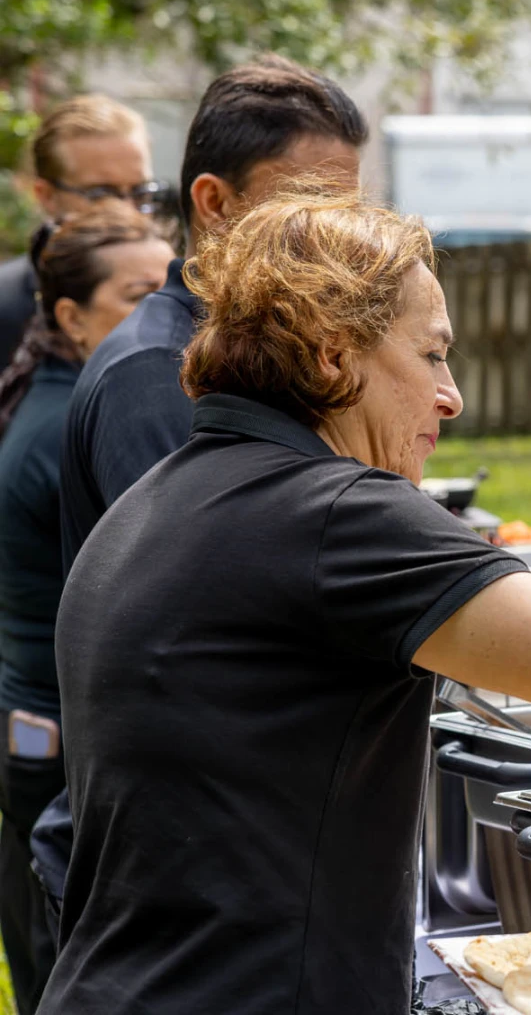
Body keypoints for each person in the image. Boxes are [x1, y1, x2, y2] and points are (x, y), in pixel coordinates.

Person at [38, 193, 531, 1014]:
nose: (451, 395)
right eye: (431, 355)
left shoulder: (160, 500)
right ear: (332, 355)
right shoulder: (334, 514)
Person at [58, 55, 365, 572]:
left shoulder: (263, 349)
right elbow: (195, 582)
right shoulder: (155, 369)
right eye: (307, 209)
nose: (337, 235)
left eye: (348, 212)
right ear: (214, 202)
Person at [0, 212, 173, 1015]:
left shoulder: (67, 391)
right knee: (60, 958)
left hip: (40, 717)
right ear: (68, 316)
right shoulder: (82, 417)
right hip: (47, 727)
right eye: (139, 295)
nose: (160, 317)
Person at [0, 96, 168, 364]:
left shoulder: (177, 283)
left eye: (140, 192)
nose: (126, 210)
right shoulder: (8, 305)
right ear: (46, 196)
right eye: (101, 194)